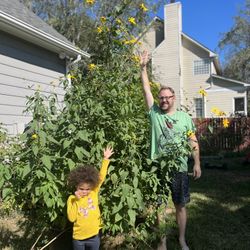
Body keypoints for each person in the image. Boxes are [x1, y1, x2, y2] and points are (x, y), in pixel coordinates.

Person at [140, 50, 201, 250]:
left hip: (179, 167)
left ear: (174, 98)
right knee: (159, 206)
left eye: (167, 97)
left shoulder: (184, 118)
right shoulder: (154, 113)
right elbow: (147, 90)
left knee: (180, 205)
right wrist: (143, 68)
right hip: (158, 166)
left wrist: (197, 162)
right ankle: (162, 241)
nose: (164, 100)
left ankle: (182, 239)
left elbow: (193, 141)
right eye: (161, 97)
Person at [67, 146, 114, 250]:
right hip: (78, 239)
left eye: (87, 189)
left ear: (92, 186)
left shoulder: (94, 192)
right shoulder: (72, 199)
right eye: (81, 188)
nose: (84, 191)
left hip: (94, 237)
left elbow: (101, 177)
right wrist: (77, 200)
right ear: (76, 186)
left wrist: (105, 159)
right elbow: (71, 218)